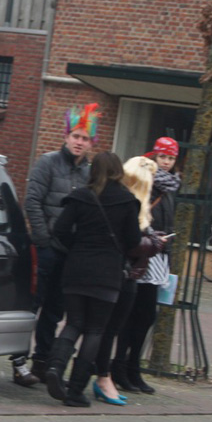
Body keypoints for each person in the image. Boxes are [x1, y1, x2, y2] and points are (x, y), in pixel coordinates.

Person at [44, 152, 141, 407]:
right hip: (107, 273)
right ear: (118, 171)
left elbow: (60, 230)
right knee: (95, 330)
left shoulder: (80, 197)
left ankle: (54, 367)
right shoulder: (127, 201)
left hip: (76, 268)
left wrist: (77, 246)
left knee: (73, 323)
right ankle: (76, 390)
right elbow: (133, 241)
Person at [18, 103, 94, 386]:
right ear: (66, 136)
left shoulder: (89, 174)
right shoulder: (48, 163)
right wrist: (44, 240)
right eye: (76, 136)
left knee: (55, 309)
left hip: (70, 252)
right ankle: (19, 361)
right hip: (46, 248)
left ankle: (42, 361)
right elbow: (33, 201)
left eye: (85, 138)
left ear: (91, 143)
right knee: (33, 305)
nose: (79, 142)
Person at [113, 138, 181, 394]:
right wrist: (152, 236)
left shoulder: (171, 187)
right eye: (162, 157)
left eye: (171, 158)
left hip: (159, 255)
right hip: (144, 253)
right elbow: (139, 215)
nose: (166, 162)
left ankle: (132, 367)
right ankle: (121, 367)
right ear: (154, 156)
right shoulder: (145, 180)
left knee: (146, 316)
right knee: (134, 314)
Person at [97, 156, 165, 399]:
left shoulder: (161, 195)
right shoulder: (129, 202)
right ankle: (111, 371)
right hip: (127, 269)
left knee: (141, 318)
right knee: (116, 323)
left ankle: (124, 369)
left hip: (144, 267)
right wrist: (154, 242)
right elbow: (131, 241)